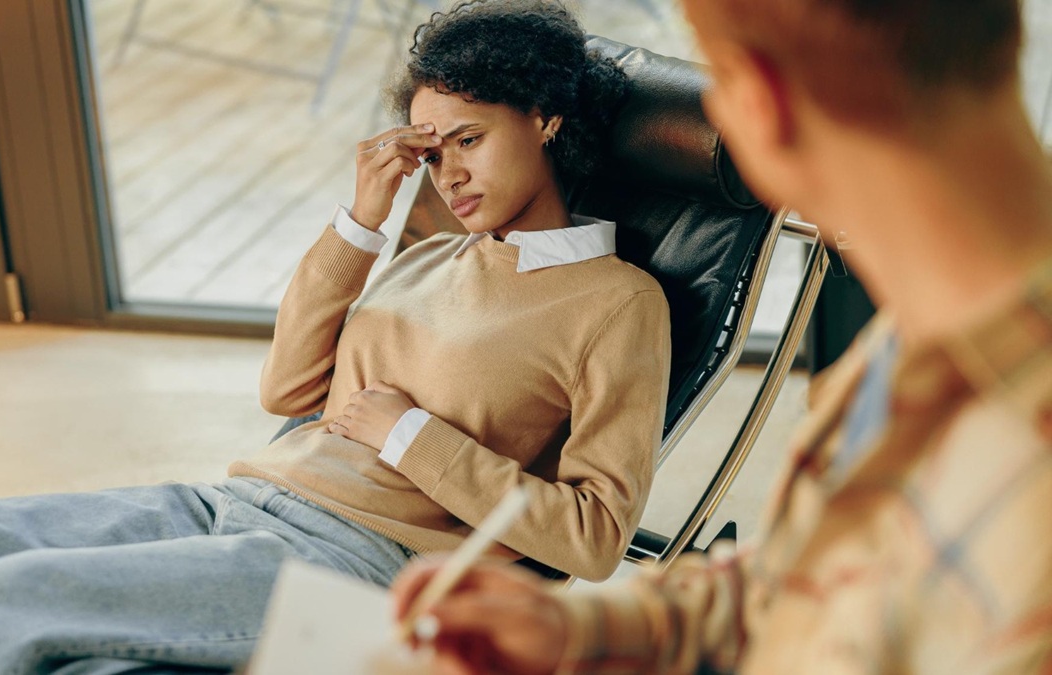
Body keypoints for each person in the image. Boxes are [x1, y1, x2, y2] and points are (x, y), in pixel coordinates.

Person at [0, 1, 671, 672]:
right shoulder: (435, 251)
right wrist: (361, 220)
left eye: (469, 140)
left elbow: (596, 537)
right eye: (432, 150)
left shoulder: (616, 302)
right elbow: (285, 390)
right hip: (235, 500)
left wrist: (410, 433)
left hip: (352, 565)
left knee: (1, 599)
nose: (449, 174)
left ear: (546, 120)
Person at [391, 0, 1052, 673]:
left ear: (758, 105)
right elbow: (803, 581)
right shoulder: (921, 341)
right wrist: (576, 628)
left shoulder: (1015, 456)